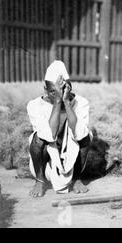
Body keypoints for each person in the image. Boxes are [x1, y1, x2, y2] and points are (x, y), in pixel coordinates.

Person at [27, 60, 92, 197]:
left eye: (63, 90)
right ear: (45, 89)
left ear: (69, 88)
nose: (59, 95)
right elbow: (49, 136)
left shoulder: (81, 103)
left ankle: (76, 179)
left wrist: (67, 103)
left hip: (72, 162)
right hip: (46, 163)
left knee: (86, 136)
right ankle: (39, 180)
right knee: (37, 139)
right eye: (53, 91)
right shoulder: (34, 105)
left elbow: (80, 135)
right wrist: (57, 102)